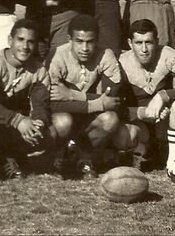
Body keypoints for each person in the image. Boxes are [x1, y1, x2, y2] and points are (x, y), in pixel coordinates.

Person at [0, 19, 73, 181]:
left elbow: (40, 104)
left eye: (30, 42)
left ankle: (19, 158)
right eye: (20, 40)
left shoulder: (39, 70)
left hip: (19, 127)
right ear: (9, 40)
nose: (25, 47)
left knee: (57, 127)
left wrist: (38, 123)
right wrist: (17, 120)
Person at [117, 19, 175, 182]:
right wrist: (141, 113)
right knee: (123, 134)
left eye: (148, 42)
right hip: (139, 124)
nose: (144, 49)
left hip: (163, 121)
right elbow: (114, 106)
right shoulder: (122, 62)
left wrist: (163, 95)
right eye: (138, 43)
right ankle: (141, 152)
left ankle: (174, 162)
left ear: (156, 41)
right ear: (129, 43)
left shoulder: (167, 54)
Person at [47, 14, 123, 179]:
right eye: (79, 41)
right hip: (64, 116)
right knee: (62, 121)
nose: (85, 48)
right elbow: (51, 102)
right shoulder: (57, 56)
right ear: (69, 39)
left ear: (97, 40)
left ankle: (84, 157)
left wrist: (71, 94)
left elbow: (111, 99)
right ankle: (58, 155)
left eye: (90, 42)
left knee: (110, 119)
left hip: (87, 120)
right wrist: (97, 102)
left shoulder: (106, 55)